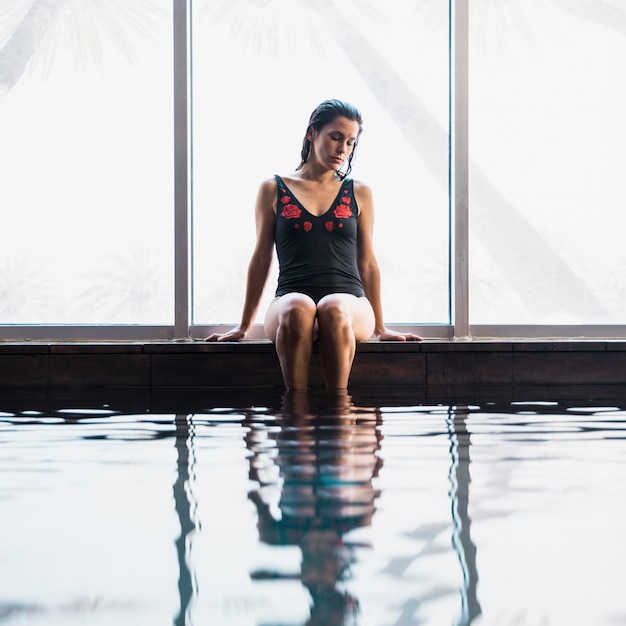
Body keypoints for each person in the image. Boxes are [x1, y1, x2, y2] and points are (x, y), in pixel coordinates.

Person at [205, 99, 421, 390]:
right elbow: (260, 259)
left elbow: (367, 262)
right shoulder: (273, 188)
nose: (342, 149)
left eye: (350, 142)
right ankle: (296, 411)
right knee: (299, 306)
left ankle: (339, 412)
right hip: (288, 302)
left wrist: (381, 328)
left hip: (350, 304)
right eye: (335, 137)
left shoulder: (360, 192)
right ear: (312, 133)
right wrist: (243, 327)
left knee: (333, 307)